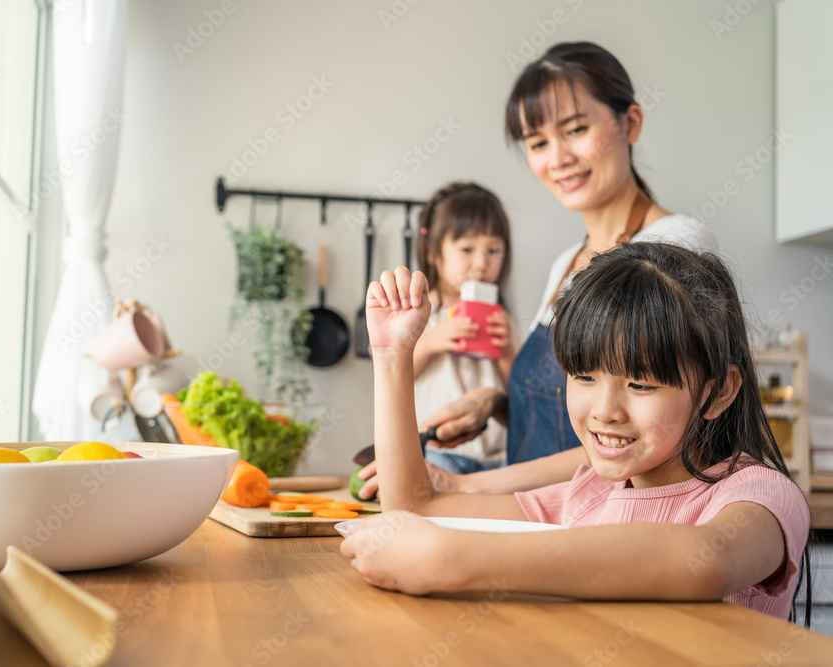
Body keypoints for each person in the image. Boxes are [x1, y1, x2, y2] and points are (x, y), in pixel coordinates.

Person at [341, 243, 811, 622]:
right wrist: (392, 356)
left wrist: (453, 558)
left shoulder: (761, 493)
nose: (604, 411)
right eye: (584, 377)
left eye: (641, 384)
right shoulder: (590, 492)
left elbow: (708, 561)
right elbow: (416, 509)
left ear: (719, 392)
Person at [356, 41, 718, 500]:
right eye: (538, 142)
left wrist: (466, 485)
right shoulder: (566, 264)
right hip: (540, 514)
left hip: (600, 524)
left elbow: (643, 434)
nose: (558, 158)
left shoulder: (673, 244)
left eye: (576, 129)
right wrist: (495, 404)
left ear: (630, 122)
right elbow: (570, 414)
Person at [411, 182, 514, 474]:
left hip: (498, 457)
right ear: (433, 253)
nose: (481, 263)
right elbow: (393, 374)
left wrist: (505, 350)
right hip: (436, 451)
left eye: (493, 250)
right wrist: (431, 342)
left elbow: (521, 392)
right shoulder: (419, 314)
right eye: (467, 249)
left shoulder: (501, 319)